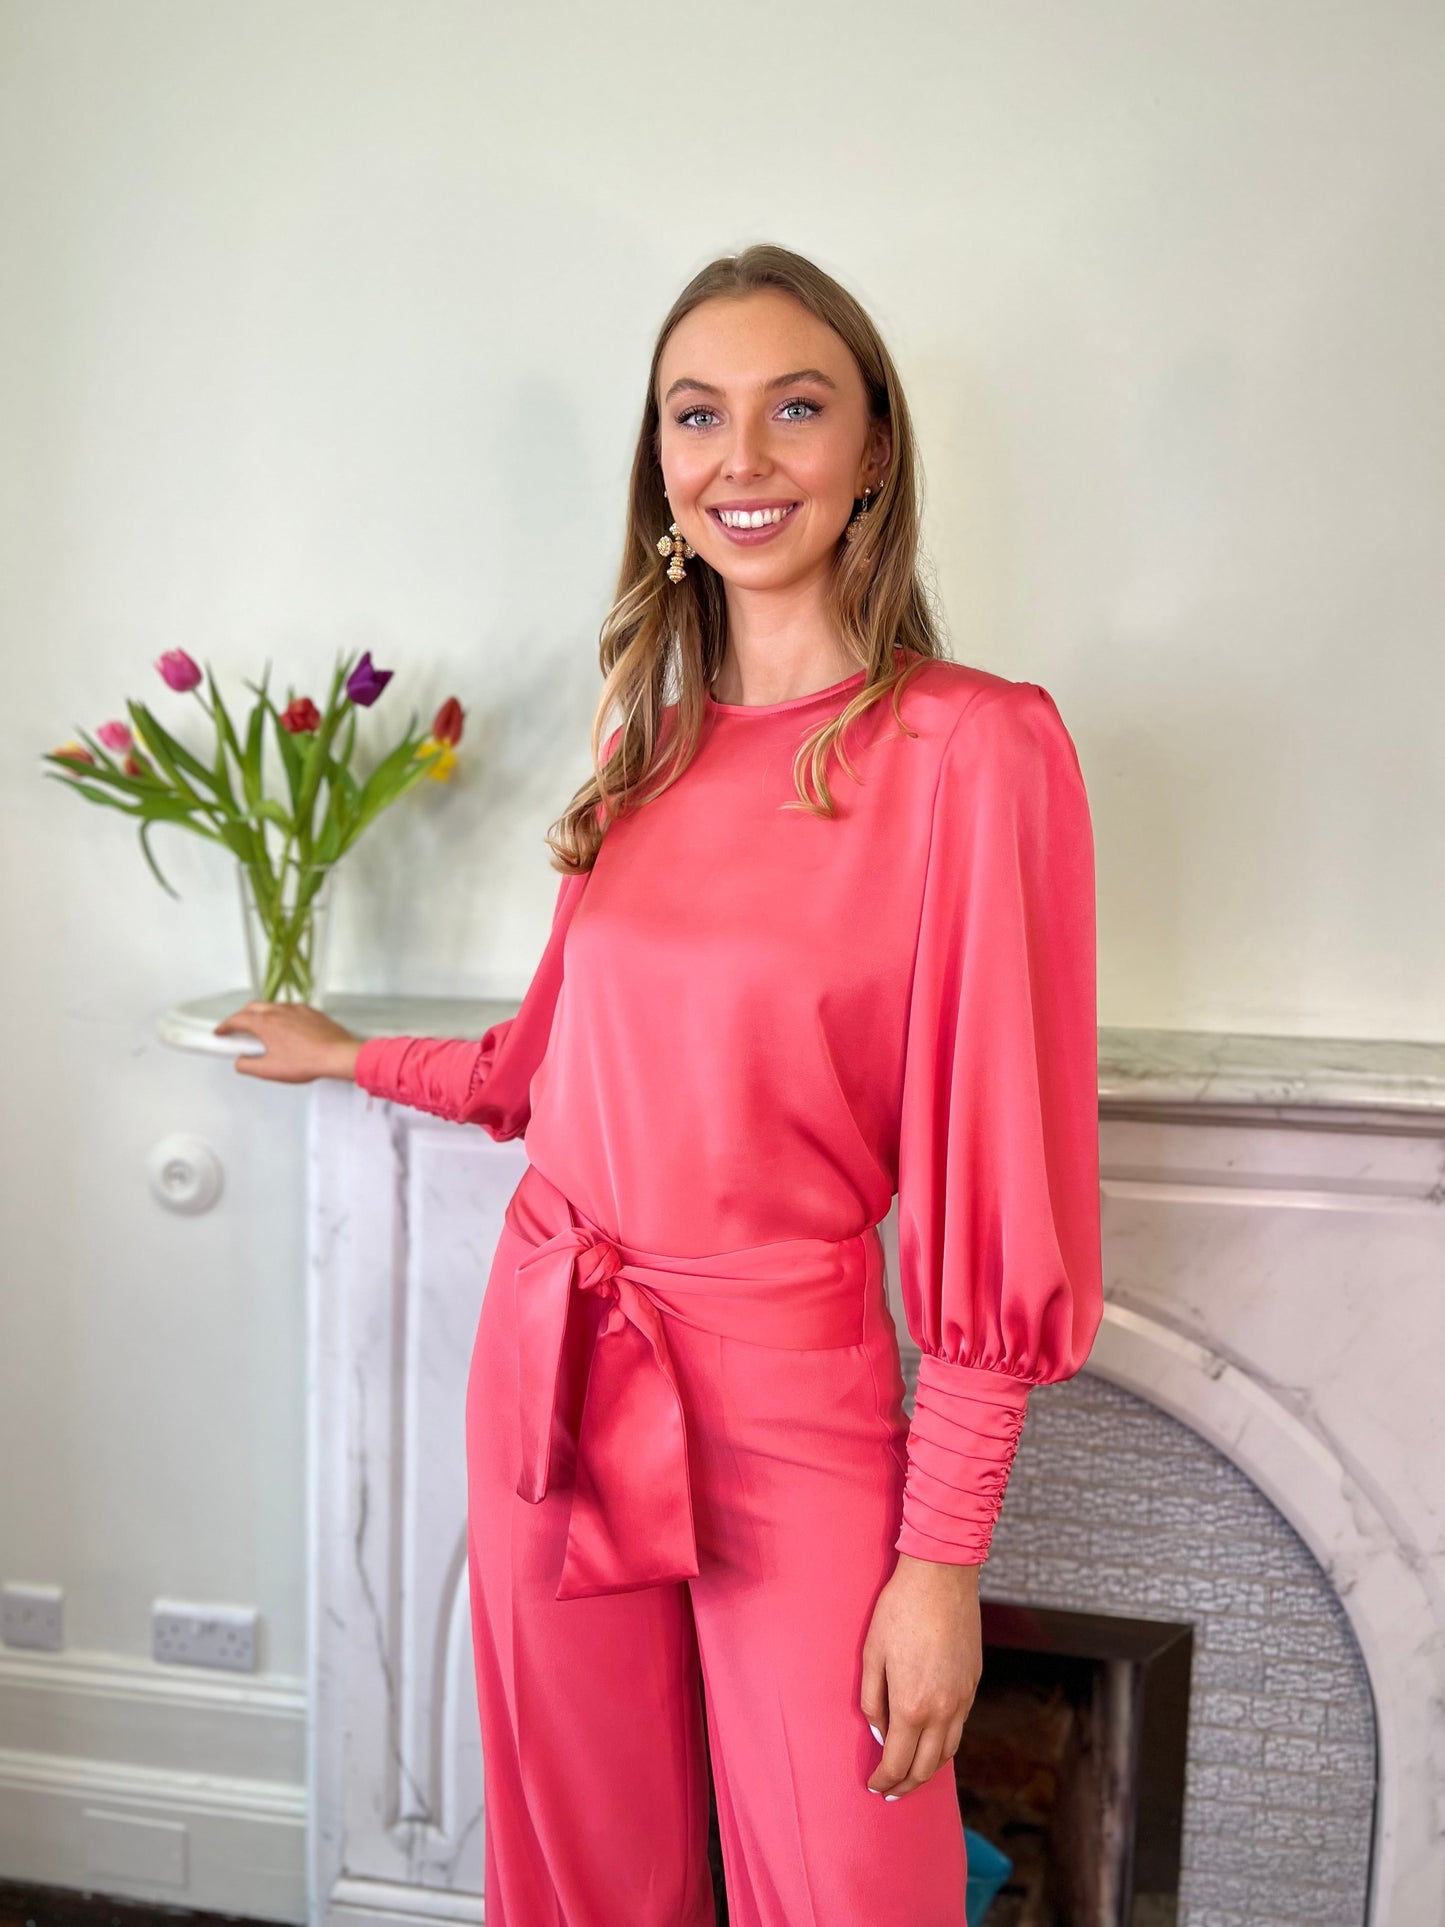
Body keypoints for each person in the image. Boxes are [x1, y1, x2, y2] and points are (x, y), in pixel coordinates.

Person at [215, 244, 1104, 1927]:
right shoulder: (648, 757)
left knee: (854, 1889)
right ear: (661, 471)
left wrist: (942, 1557)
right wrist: (348, 1056)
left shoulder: (974, 751)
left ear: (873, 456)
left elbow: (1005, 1190)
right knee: (583, 1875)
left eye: (795, 408)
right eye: (697, 416)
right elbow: (543, 1068)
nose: (742, 457)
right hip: (553, 1355)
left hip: (791, 1397)